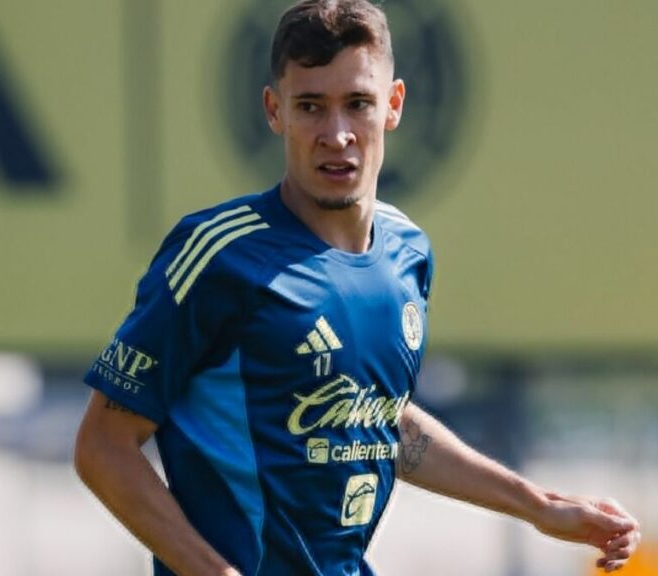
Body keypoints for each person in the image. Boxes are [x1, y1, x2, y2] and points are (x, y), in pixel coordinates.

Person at [73, 1, 642, 574]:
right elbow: (103, 445)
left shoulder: (407, 254)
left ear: (393, 105)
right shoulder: (219, 255)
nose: (336, 134)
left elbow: (377, 419)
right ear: (276, 112)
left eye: (358, 104)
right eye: (311, 106)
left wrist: (540, 507)